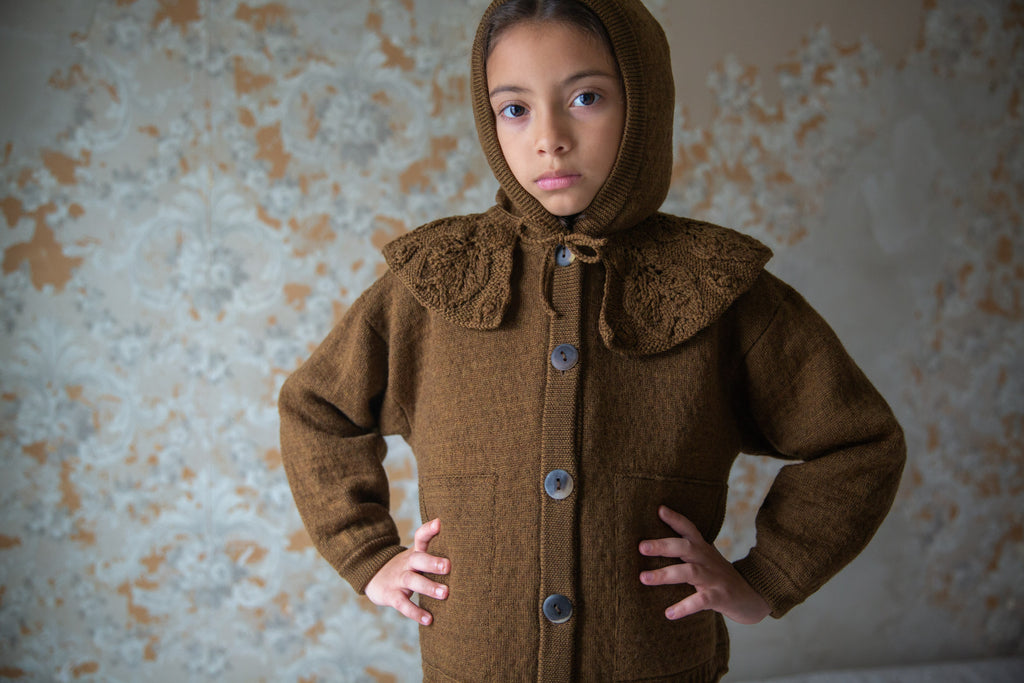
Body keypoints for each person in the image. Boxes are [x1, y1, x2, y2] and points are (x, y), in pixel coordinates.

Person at [278, 0, 907, 680]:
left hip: (655, 662)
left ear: (644, 100)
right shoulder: (432, 284)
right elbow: (318, 409)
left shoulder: (720, 288)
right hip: (476, 662)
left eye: (585, 98)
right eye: (514, 109)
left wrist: (766, 578)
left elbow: (858, 442)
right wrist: (367, 555)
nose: (549, 138)